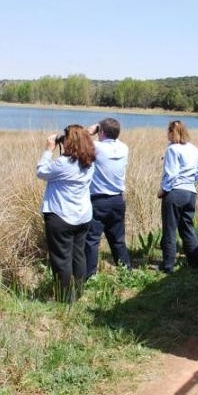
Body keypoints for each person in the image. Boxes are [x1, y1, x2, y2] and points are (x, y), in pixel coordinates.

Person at [36, 124, 96, 303]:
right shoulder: (90, 160)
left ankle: (64, 298)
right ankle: (78, 292)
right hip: (83, 216)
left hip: (61, 217)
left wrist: (48, 149)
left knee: (61, 259)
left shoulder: (63, 163)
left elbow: (41, 172)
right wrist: (83, 133)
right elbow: (82, 141)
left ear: (69, 143)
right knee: (78, 255)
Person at [85, 118, 131, 278]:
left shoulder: (97, 147)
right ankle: (126, 271)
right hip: (117, 200)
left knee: (92, 240)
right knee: (118, 239)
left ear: (101, 132)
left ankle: (90, 275)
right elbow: (112, 138)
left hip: (98, 201)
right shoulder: (124, 148)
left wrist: (89, 132)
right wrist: (102, 129)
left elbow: (77, 140)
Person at [157, 120, 198, 272]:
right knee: (187, 227)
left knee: (170, 229)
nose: (166, 135)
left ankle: (168, 265)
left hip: (175, 192)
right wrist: (189, 183)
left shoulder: (172, 149)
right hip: (190, 193)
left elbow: (171, 174)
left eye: (168, 132)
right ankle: (195, 261)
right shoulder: (193, 148)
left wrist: (163, 190)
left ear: (173, 133)